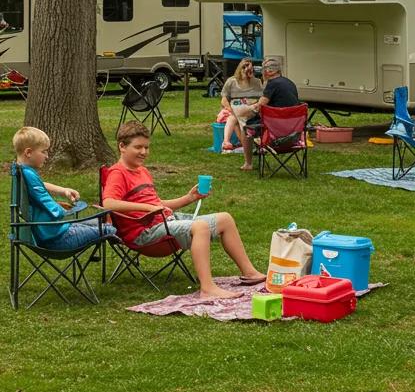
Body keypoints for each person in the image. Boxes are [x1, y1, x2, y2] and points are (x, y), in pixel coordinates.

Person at [102, 120, 264, 300]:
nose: (144, 152)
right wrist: (147, 207)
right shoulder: (118, 173)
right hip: (143, 233)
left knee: (224, 218)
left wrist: (189, 198)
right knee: (200, 227)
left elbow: (158, 203)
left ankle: (250, 273)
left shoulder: (142, 171)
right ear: (122, 147)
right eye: (138, 147)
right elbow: (108, 203)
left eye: (147, 147)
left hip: (165, 222)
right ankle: (208, 288)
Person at [12, 126, 116, 249]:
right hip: (57, 238)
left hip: (51, 232)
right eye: (44, 151)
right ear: (28, 152)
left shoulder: (20, 171)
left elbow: (40, 185)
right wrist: (65, 211)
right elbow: (47, 202)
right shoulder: (28, 174)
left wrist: (63, 190)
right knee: (109, 229)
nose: (47, 156)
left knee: (96, 224)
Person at [219, 59, 263, 170]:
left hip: (251, 109)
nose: (247, 70)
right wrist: (230, 109)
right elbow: (224, 100)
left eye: (250, 68)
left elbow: (262, 99)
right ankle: (227, 142)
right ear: (240, 68)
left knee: (241, 122)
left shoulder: (257, 82)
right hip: (236, 107)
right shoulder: (232, 81)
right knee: (234, 117)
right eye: (244, 67)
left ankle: (240, 148)